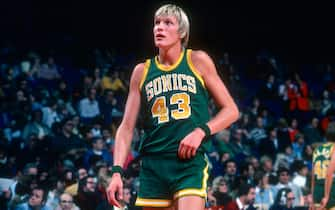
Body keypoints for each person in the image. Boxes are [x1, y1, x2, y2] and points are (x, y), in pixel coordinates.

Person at [106, 4, 239, 210]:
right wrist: (116, 172)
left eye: (168, 23)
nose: (160, 27)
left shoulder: (198, 60)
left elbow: (231, 110)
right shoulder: (141, 72)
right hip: (153, 165)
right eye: (157, 23)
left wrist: (201, 131)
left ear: (182, 32)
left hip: (188, 163)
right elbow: (126, 127)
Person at [311, 122, 335, 209]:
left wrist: (312, 198)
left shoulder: (317, 150)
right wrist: (327, 196)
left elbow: (313, 176)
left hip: (317, 193)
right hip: (331, 192)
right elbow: (329, 173)